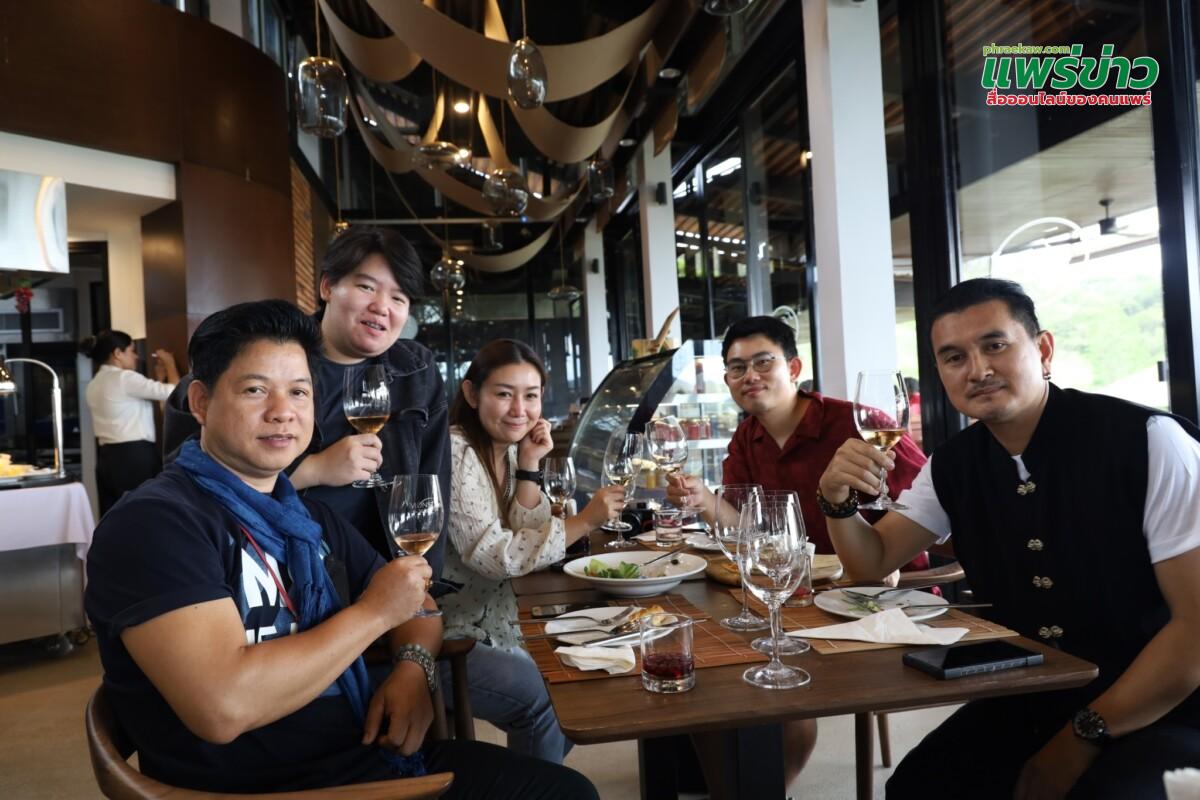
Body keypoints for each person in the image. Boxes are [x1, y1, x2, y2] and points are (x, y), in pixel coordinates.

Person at [85, 300, 597, 798]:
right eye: (256, 390)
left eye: (299, 392)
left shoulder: (305, 518)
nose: (283, 413)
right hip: (275, 788)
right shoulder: (156, 524)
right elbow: (224, 707)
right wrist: (375, 614)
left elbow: (416, 602)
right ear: (200, 402)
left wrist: (412, 669)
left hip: (359, 751)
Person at [818, 279, 1200, 799]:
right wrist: (835, 500)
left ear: (1043, 349)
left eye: (995, 345)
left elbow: (1194, 630)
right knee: (917, 787)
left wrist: (1078, 740)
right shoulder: (952, 464)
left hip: (1167, 704)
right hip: (1034, 693)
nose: (977, 370)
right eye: (954, 357)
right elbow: (873, 562)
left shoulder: (1149, 441)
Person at [163, 227, 450, 583]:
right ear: (327, 286)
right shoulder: (269, 354)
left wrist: (424, 580)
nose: (381, 307)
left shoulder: (415, 371)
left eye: (399, 298)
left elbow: (433, 484)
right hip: (279, 569)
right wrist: (314, 469)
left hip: (382, 568)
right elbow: (186, 470)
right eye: (366, 287)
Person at [442, 339, 624, 763]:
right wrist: (587, 520)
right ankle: (537, 788)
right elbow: (495, 557)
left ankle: (534, 783)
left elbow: (527, 534)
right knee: (546, 704)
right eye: (504, 394)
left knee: (583, 681)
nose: (519, 410)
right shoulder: (456, 450)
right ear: (472, 394)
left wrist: (528, 465)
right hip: (448, 635)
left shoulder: (506, 449)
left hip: (500, 623)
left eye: (531, 396)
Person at [79, 329, 180, 514]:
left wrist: (159, 378)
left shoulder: (94, 383)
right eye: (132, 351)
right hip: (135, 457)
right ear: (118, 353)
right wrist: (170, 363)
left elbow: (141, 401)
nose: (136, 356)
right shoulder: (124, 378)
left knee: (116, 514)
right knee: (145, 512)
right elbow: (175, 392)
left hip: (107, 458)